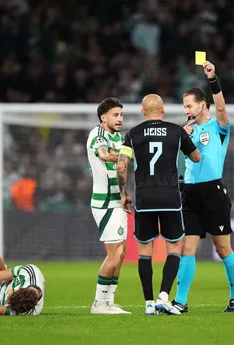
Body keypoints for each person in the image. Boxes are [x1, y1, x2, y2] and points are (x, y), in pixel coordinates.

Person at [117, 94, 201, 315]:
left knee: (145, 250)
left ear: (143, 112)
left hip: (144, 198)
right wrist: (186, 137)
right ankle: (163, 296)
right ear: (163, 110)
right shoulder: (176, 131)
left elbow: (121, 166)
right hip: (170, 197)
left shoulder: (133, 134)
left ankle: (147, 303)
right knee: (174, 247)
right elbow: (196, 157)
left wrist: (124, 193)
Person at [172, 60, 234, 313]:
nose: (187, 109)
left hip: (213, 191)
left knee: (223, 248)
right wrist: (181, 137)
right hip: (189, 192)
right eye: (184, 106)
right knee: (186, 248)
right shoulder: (186, 131)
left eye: (189, 104)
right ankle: (180, 301)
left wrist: (213, 79)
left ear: (202, 104)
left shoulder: (218, 126)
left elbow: (221, 107)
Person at [86, 97, 130, 315]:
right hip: (104, 202)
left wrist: (124, 194)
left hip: (116, 200)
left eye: (121, 114)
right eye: (115, 114)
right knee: (114, 253)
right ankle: (99, 303)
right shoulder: (98, 135)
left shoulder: (118, 136)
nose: (120, 118)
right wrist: (124, 154)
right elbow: (103, 154)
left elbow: (120, 171)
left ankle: (109, 301)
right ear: (103, 117)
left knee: (122, 252)